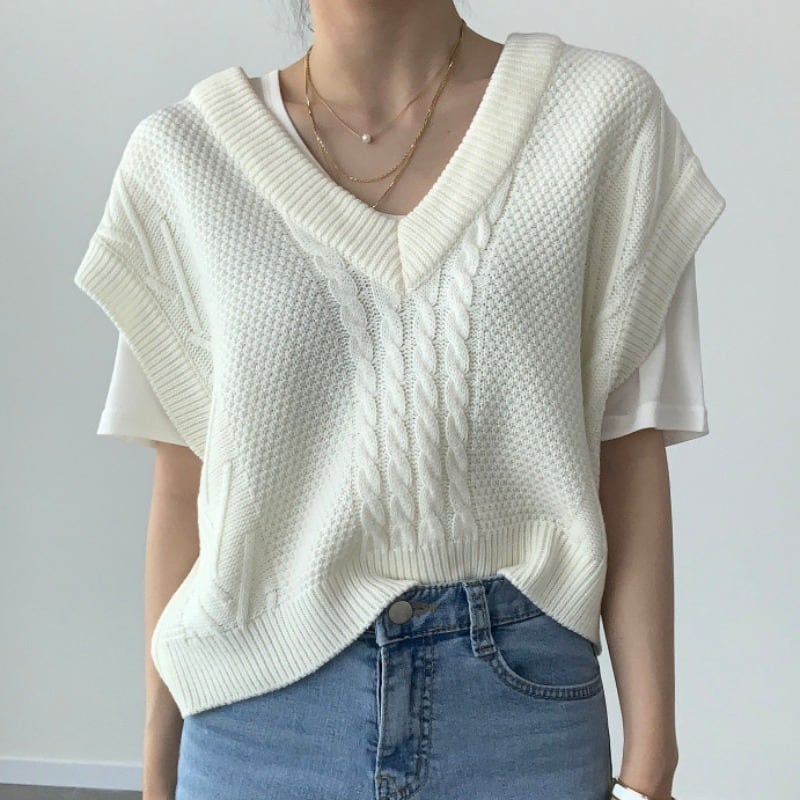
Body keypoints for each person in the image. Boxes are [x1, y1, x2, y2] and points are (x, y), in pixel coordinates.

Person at [73, 2, 726, 799]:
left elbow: (626, 455)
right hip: (257, 727)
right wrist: (156, 774)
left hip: (521, 721)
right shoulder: (182, 159)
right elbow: (185, 491)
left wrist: (650, 770)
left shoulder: (600, 119)